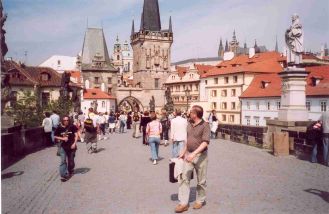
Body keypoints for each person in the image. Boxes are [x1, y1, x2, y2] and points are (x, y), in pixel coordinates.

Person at [175, 105, 210, 213]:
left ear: (195, 114)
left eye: (191, 112)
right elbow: (188, 139)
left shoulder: (205, 125)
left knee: (201, 181)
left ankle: (200, 200)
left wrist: (194, 154)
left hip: (200, 156)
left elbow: (205, 143)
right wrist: (184, 152)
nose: (189, 113)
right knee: (184, 178)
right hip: (188, 155)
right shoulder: (189, 123)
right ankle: (184, 203)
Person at [54, 116, 78, 181]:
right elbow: (55, 136)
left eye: (67, 120)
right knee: (63, 161)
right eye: (64, 120)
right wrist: (62, 138)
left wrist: (74, 143)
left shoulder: (72, 126)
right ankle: (63, 175)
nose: (66, 121)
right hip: (63, 147)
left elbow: (76, 135)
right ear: (62, 121)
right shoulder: (59, 128)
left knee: (71, 161)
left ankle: (71, 170)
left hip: (71, 146)